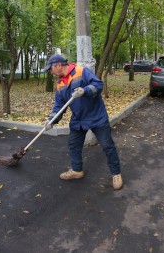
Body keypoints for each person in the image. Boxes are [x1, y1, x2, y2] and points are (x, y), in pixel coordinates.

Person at [43, 54, 123, 190]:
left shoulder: (81, 71)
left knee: (107, 146)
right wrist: (52, 120)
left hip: (96, 116)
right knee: (73, 144)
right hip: (78, 119)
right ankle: (76, 170)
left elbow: (98, 84)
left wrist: (85, 90)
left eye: (51, 68)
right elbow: (59, 106)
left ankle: (116, 173)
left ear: (58, 65)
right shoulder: (60, 84)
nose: (51, 72)